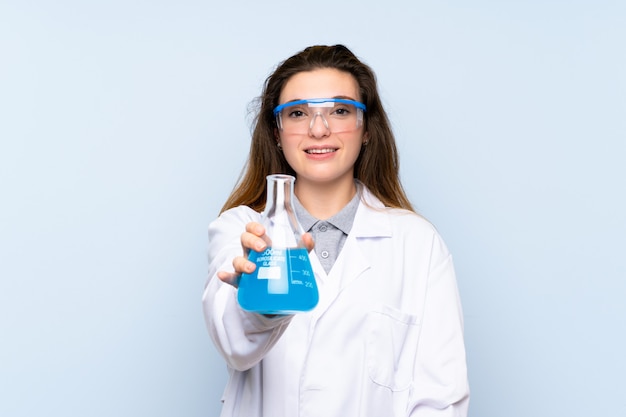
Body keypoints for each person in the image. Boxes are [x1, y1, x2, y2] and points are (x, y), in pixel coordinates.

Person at [203, 44, 469, 417]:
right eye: (297, 113)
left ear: (366, 130)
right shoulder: (240, 229)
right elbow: (235, 343)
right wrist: (259, 298)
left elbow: (441, 399)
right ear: (277, 132)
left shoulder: (418, 244)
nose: (318, 129)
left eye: (340, 111)